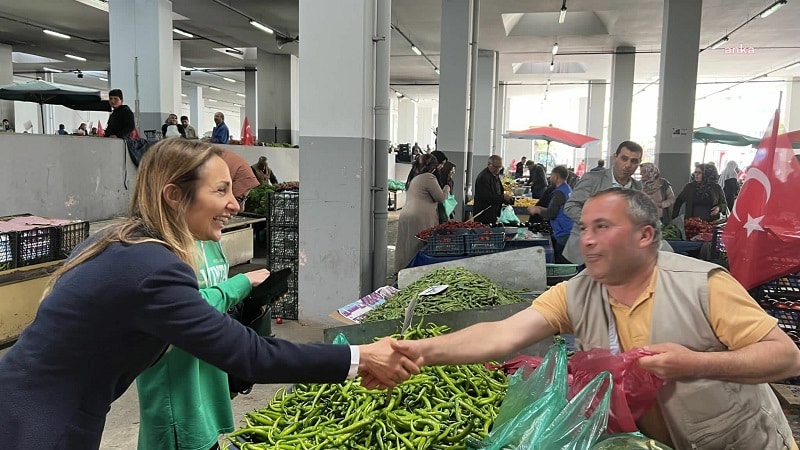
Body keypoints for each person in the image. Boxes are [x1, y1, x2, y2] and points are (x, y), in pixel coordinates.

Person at [0, 139, 418, 449]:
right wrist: (361, 357)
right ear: (174, 196)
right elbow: (249, 355)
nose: (234, 204)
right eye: (220, 191)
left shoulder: (119, 241)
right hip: (38, 427)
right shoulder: (153, 267)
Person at [393, 188, 800, 449]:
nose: (586, 239)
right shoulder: (579, 291)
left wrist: (694, 363)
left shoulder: (702, 285)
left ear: (644, 236)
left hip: (738, 440)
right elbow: (501, 335)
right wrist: (418, 351)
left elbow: (785, 357)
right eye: (584, 227)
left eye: (602, 227)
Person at [136, 242, 270, 450]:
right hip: (180, 405)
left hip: (208, 390)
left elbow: (217, 306)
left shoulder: (211, 240)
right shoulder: (158, 249)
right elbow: (185, 309)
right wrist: (241, 283)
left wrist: (251, 303)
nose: (235, 209)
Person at [562, 141, 643, 264]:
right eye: (624, 158)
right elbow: (571, 206)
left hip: (616, 255)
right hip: (584, 252)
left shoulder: (638, 188)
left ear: (639, 163)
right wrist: (597, 226)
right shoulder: (592, 179)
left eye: (634, 161)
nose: (628, 165)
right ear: (615, 157)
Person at [394, 154, 450, 272]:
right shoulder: (428, 177)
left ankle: (403, 271)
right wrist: (447, 188)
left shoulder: (414, 177)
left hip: (406, 214)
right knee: (418, 246)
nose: (439, 168)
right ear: (431, 166)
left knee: (406, 246)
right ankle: (416, 272)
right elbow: (440, 197)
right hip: (420, 217)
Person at [526, 165, 574, 263]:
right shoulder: (567, 189)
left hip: (563, 232)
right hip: (569, 230)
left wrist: (537, 210)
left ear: (556, 177)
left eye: (551, 176)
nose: (550, 178)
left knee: (562, 263)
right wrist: (540, 208)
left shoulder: (559, 193)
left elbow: (551, 213)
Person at [473, 155, 513, 224]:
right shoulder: (483, 177)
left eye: (500, 167)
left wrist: (506, 199)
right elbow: (486, 196)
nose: (498, 169)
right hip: (484, 214)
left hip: (493, 213)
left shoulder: (495, 175)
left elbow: (498, 191)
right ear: (489, 164)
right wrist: (503, 197)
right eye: (496, 167)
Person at [639, 162, 675, 226]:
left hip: (661, 219)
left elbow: (672, 199)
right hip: (644, 219)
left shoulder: (663, 183)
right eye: (640, 171)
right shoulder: (639, 184)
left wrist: (661, 204)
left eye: (644, 172)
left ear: (652, 172)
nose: (640, 174)